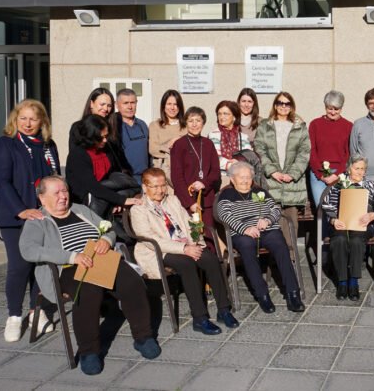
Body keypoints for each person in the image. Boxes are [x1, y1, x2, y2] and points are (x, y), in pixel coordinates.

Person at [19, 176, 161, 376]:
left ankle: (143, 337)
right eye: (56, 193)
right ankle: (89, 351)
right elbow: (28, 250)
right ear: (42, 199)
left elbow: (108, 227)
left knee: (132, 281)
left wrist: (105, 239)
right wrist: (72, 256)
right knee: (87, 289)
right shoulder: (38, 220)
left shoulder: (80, 210)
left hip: (100, 259)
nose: (63, 196)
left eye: (65, 191)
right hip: (66, 268)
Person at [130, 168, 237, 335]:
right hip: (160, 251)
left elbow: (189, 223)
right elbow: (150, 239)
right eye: (155, 186)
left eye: (163, 185)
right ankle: (200, 318)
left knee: (210, 259)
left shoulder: (171, 200)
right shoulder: (139, 209)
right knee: (187, 264)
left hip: (186, 244)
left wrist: (194, 242)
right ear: (144, 187)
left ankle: (223, 310)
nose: (160, 190)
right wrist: (183, 249)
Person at [0, 99, 60, 342]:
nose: (28, 124)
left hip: (43, 215)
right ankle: (14, 316)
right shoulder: (5, 145)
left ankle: (36, 311)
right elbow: (2, 182)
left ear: (42, 121)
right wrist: (21, 210)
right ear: (15, 120)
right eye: (23, 118)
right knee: (19, 266)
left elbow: (53, 180)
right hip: (15, 217)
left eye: (33, 119)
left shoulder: (48, 146)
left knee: (40, 266)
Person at [216, 162, 305, 313]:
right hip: (242, 233)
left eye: (248, 177)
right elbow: (225, 216)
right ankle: (262, 294)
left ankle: (293, 293)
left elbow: (275, 209)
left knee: (280, 244)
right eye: (241, 177)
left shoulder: (260, 192)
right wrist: (245, 228)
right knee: (247, 246)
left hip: (266, 229)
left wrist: (268, 220)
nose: (245, 180)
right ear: (232, 178)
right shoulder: (226, 195)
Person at [321, 154, 374, 300]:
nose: (360, 172)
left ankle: (353, 282)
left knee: (357, 241)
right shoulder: (340, 183)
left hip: (362, 225)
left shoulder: (370, 184)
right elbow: (326, 203)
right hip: (341, 224)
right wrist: (333, 220)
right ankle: (342, 282)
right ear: (349, 168)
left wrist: (373, 215)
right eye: (357, 168)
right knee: (339, 240)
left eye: (363, 169)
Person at [254, 92, 310, 259]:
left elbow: (304, 152)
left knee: (290, 224)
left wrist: (292, 174)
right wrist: (273, 171)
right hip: (272, 182)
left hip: (292, 184)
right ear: (275, 105)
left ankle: (291, 262)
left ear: (292, 106)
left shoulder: (300, 126)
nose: (284, 106)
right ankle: (275, 262)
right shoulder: (265, 125)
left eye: (287, 103)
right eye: (280, 103)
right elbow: (260, 149)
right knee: (272, 222)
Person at [65, 114, 142, 218]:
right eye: (101, 138)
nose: (105, 140)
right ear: (90, 136)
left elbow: (113, 173)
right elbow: (93, 187)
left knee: (133, 188)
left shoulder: (105, 149)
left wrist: (116, 201)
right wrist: (122, 200)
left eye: (106, 136)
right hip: (89, 198)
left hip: (107, 191)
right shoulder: (78, 155)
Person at [170, 107, 222, 250]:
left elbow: (215, 172)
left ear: (203, 123)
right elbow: (176, 177)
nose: (194, 124)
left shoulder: (208, 144)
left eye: (198, 120)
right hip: (187, 202)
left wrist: (204, 183)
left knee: (208, 239)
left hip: (206, 201)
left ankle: (211, 270)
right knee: (193, 239)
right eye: (190, 120)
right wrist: (189, 202)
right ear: (185, 123)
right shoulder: (179, 145)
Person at [69, 88, 131, 174]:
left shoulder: (113, 127)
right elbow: (76, 158)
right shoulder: (78, 127)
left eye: (109, 105)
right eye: (102, 104)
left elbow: (118, 158)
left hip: (113, 180)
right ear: (91, 104)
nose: (106, 109)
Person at [308, 90, 353, 207]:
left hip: (340, 173)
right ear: (325, 107)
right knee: (322, 208)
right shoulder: (315, 124)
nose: (332, 112)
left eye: (336, 109)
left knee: (340, 208)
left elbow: (348, 154)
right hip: (319, 173)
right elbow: (312, 151)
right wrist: (321, 174)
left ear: (341, 108)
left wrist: (336, 174)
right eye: (329, 108)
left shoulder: (348, 126)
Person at [208, 100, 253, 189]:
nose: (222, 117)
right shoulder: (213, 135)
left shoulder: (243, 137)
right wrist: (231, 165)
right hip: (221, 178)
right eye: (219, 114)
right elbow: (213, 158)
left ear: (234, 117)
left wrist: (239, 165)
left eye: (225, 114)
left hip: (241, 180)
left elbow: (249, 158)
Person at [148, 89, 186, 176]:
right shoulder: (155, 125)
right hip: (162, 173)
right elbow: (153, 149)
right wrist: (169, 144)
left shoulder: (186, 126)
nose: (172, 108)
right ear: (163, 106)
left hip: (183, 172)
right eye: (169, 104)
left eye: (175, 104)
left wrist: (164, 149)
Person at [115, 88, 149, 184]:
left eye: (133, 102)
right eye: (125, 103)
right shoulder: (113, 126)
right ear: (117, 105)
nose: (130, 107)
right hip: (124, 179)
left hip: (144, 179)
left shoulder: (142, 125)